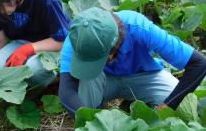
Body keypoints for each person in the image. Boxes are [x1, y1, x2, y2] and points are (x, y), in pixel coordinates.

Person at [59, 7, 206, 117]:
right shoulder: (77, 39)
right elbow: (66, 91)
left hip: (142, 75)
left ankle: (135, 103)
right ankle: (98, 109)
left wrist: (167, 106)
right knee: (81, 94)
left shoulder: (138, 27)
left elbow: (199, 63)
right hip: (102, 81)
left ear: (113, 49)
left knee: (178, 109)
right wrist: (90, 122)